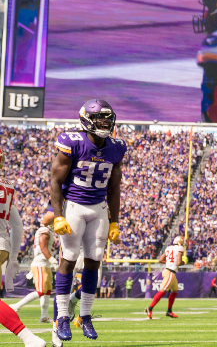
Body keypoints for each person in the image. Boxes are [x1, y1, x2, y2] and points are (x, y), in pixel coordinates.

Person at [50, 99, 127, 342]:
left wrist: (115, 221)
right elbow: (55, 182)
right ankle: (62, 317)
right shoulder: (72, 142)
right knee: (69, 259)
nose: (105, 123)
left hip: (99, 208)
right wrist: (58, 215)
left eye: (108, 118)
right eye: (100, 119)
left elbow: (114, 188)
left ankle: (84, 316)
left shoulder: (116, 147)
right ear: (86, 120)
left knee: (94, 261)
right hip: (74, 205)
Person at [10, 214, 56, 323]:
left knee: (47, 290)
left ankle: (44, 316)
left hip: (45, 264)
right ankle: (16, 306)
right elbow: (43, 247)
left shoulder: (45, 230)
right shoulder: (44, 231)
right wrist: (52, 259)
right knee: (41, 291)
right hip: (40, 263)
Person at [0, 149, 25, 295]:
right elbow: (17, 224)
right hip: (3, 244)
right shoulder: (7, 184)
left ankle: (13, 319)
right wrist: (14, 256)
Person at [145, 236, 185, 319]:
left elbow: (160, 260)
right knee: (162, 291)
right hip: (170, 272)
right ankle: (150, 308)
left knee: (175, 291)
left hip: (168, 271)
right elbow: (178, 262)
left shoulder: (169, 248)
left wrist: (170, 262)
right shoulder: (180, 248)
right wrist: (184, 262)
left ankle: (169, 311)